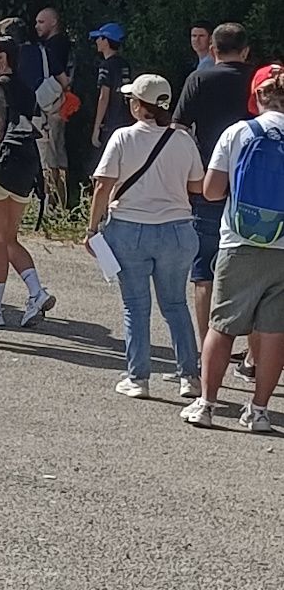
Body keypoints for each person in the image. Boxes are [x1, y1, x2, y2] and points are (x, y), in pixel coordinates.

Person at [89, 73, 204, 399]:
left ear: (140, 106)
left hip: (130, 228)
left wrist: (92, 228)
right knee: (176, 304)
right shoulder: (182, 139)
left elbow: (103, 185)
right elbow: (197, 186)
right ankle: (190, 377)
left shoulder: (123, 137)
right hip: (177, 230)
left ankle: (138, 378)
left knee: (136, 306)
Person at [184, 63, 284, 431]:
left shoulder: (239, 132)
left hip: (240, 240)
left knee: (222, 325)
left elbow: (211, 191)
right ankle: (259, 412)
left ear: (257, 95)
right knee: (274, 331)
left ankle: (207, 404)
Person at [0, 28, 57, 327]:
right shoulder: (27, 88)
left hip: (1, 164)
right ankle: (36, 292)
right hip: (27, 166)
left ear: (2, 58)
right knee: (9, 237)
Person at [177, 23, 255, 348]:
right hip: (255, 184)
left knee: (204, 268)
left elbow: (179, 128)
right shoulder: (259, 81)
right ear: (246, 51)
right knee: (254, 268)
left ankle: (206, 346)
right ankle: (252, 355)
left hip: (210, 180)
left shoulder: (199, 79)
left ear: (212, 50)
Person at [24, 7, 74, 206]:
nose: (36, 26)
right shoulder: (55, 45)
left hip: (51, 106)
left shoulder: (55, 46)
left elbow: (63, 78)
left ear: (54, 22)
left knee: (52, 155)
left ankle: (53, 201)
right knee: (55, 153)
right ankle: (57, 201)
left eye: (41, 22)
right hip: (55, 104)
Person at [90, 22, 133, 152]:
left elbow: (104, 96)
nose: (96, 41)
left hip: (110, 122)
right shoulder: (124, 64)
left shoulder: (106, 66)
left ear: (106, 41)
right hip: (127, 118)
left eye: (99, 38)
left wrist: (96, 127)